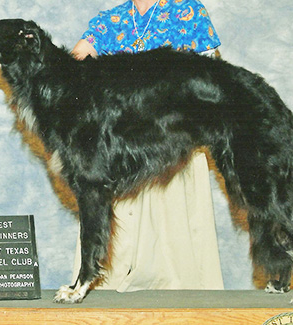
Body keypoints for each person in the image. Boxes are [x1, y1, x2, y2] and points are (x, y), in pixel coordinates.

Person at [71, 0, 224, 292]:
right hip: (122, 149)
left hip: (173, 147)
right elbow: (70, 69)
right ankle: (99, 281)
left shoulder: (188, 11)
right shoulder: (110, 20)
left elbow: (210, 78)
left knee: (176, 261)